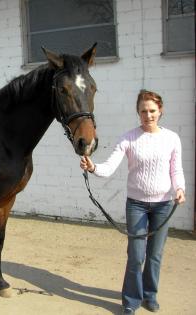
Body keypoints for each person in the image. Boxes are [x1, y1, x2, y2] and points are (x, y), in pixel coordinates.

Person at [79, 90, 185, 315]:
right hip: (136, 205)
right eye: (144, 111)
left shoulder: (172, 138)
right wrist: (94, 167)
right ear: (138, 112)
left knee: (155, 255)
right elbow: (109, 166)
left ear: (160, 110)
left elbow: (176, 169)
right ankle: (131, 300)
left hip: (164, 204)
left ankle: (150, 295)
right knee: (136, 256)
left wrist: (180, 189)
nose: (148, 115)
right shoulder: (128, 138)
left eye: (152, 111)